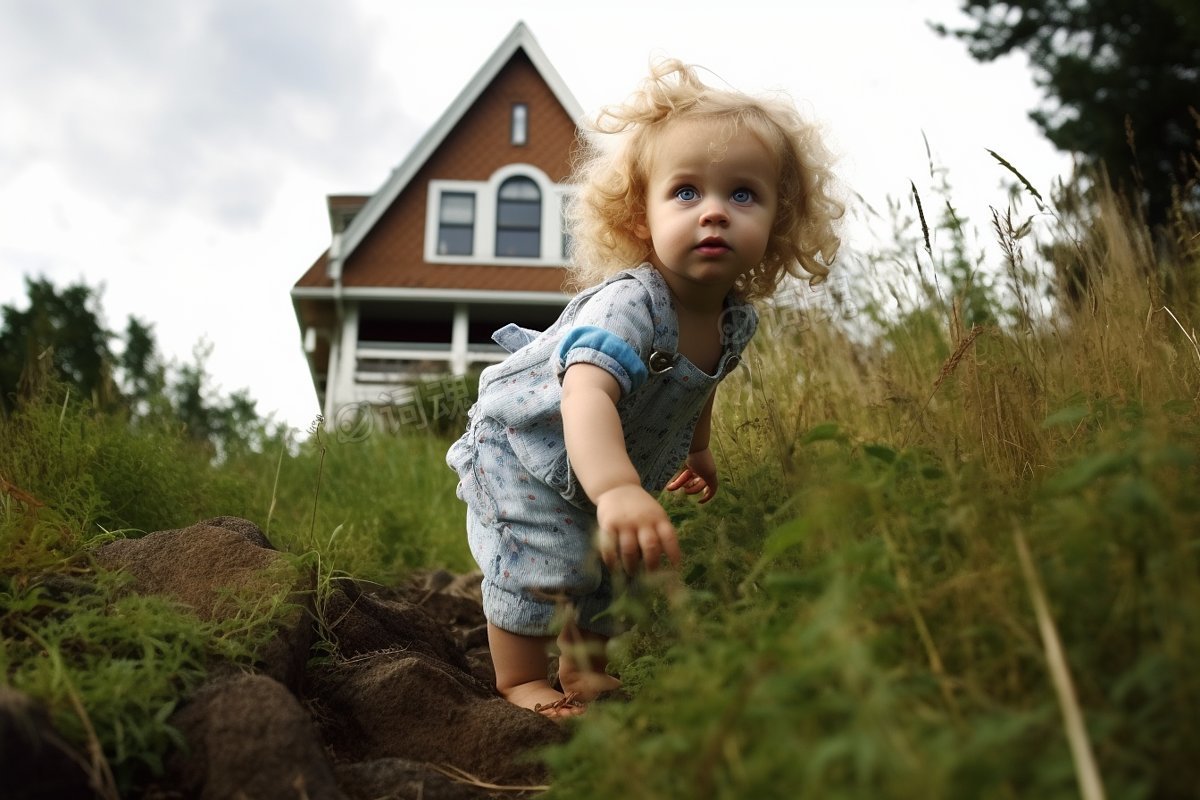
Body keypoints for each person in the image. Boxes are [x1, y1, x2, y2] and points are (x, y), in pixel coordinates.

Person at [446, 58, 842, 717]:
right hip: (527, 447)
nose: (714, 212)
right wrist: (620, 488)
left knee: (613, 564)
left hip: (605, 461)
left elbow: (700, 386)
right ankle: (518, 680)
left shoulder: (734, 320)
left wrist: (698, 450)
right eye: (686, 192)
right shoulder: (629, 306)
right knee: (542, 557)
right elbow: (585, 393)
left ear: (777, 221)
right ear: (640, 217)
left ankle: (583, 669)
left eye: (742, 195)